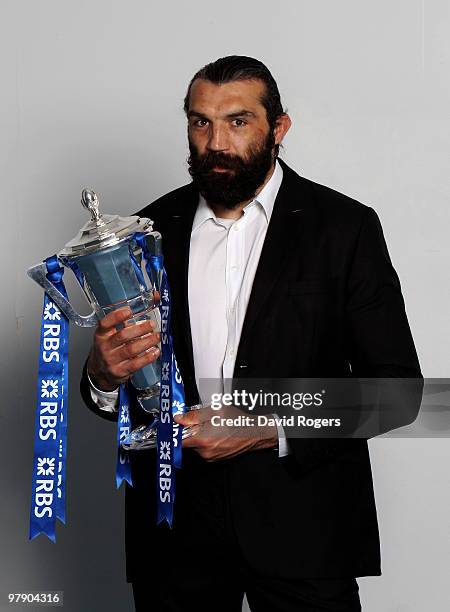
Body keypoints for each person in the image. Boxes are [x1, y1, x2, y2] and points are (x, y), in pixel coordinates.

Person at [80, 55, 423, 611]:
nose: (216, 141)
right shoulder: (146, 231)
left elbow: (400, 393)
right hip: (174, 538)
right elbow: (117, 394)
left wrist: (266, 428)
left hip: (307, 533)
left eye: (238, 121)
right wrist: (101, 374)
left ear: (278, 128)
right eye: (200, 122)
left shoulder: (345, 228)